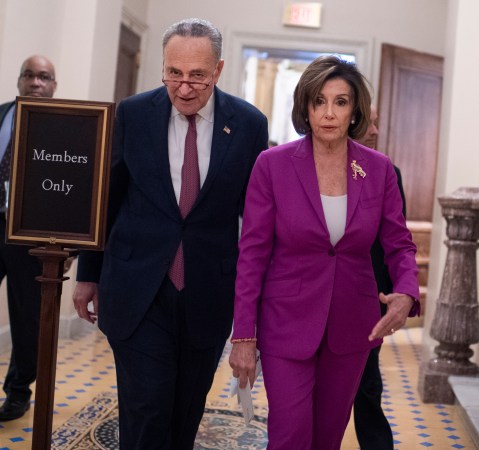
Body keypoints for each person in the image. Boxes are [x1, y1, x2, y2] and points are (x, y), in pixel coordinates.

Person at [72, 18, 268, 450]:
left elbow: (255, 221)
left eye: (196, 75)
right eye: (173, 73)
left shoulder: (250, 125)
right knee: (147, 409)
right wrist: (88, 274)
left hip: (207, 292)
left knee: (184, 413)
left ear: (217, 70)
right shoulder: (133, 114)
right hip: (138, 287)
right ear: (162, 68)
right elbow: (108, 198)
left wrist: (252, 313)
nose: (183, 87)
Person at [229, 55, 420, 449]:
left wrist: (406, 292)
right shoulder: (272, 165)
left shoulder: (378, 169)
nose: (328, 113)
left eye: (340, 102)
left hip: (352, 324)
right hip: (286, 324)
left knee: (327, 438)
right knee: (290, 436)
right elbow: (252, 254)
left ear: (355, 111)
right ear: (306, 107)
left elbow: (398, 242)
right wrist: (243, 334)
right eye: (319, 101)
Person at [0, 55, 57, 421]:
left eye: (44, 77)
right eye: (29, 75)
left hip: (29, 233)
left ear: (54, 84)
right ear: (19, 80)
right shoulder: (2, 113)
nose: (35, 82)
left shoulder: (65, 124)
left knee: (26, 318)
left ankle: (18, 393)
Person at [353, 105, 407, 450]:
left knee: (367, 388)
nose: (374, 131)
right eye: (369, 123)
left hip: (369, 299)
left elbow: (396, 241)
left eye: (377, 123)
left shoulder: (389, 172)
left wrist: (392, 294)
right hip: (312, 298)